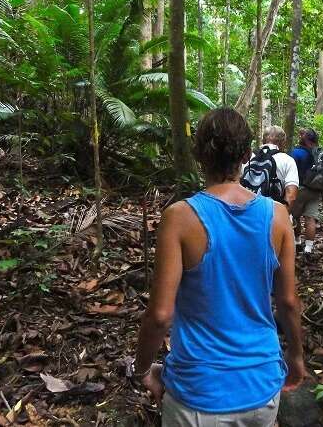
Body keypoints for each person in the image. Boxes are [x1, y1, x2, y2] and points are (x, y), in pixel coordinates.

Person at [128, 108, 305, 427]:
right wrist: (296, 355)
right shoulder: (278, 216)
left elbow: (159, 316)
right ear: (247, 155)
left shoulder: (180, 217)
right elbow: (288, 302)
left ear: (199, 155)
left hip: (199, 394)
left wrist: (141, 370)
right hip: (261, 388)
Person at [290, 128, 323, 255]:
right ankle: (308, 249)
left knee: (294, 217)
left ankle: (297, 242)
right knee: (310, 218)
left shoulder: (295, 152)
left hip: (300, 189)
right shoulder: (320, 154)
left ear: (305, 139)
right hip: (315, 190)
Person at [241, 125, 299, 212]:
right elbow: (291, 195)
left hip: (246, 212)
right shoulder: (288, 160)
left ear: (263, 140)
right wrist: (281, 217)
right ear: (283, 142)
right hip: (271, 212)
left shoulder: (248, 157)